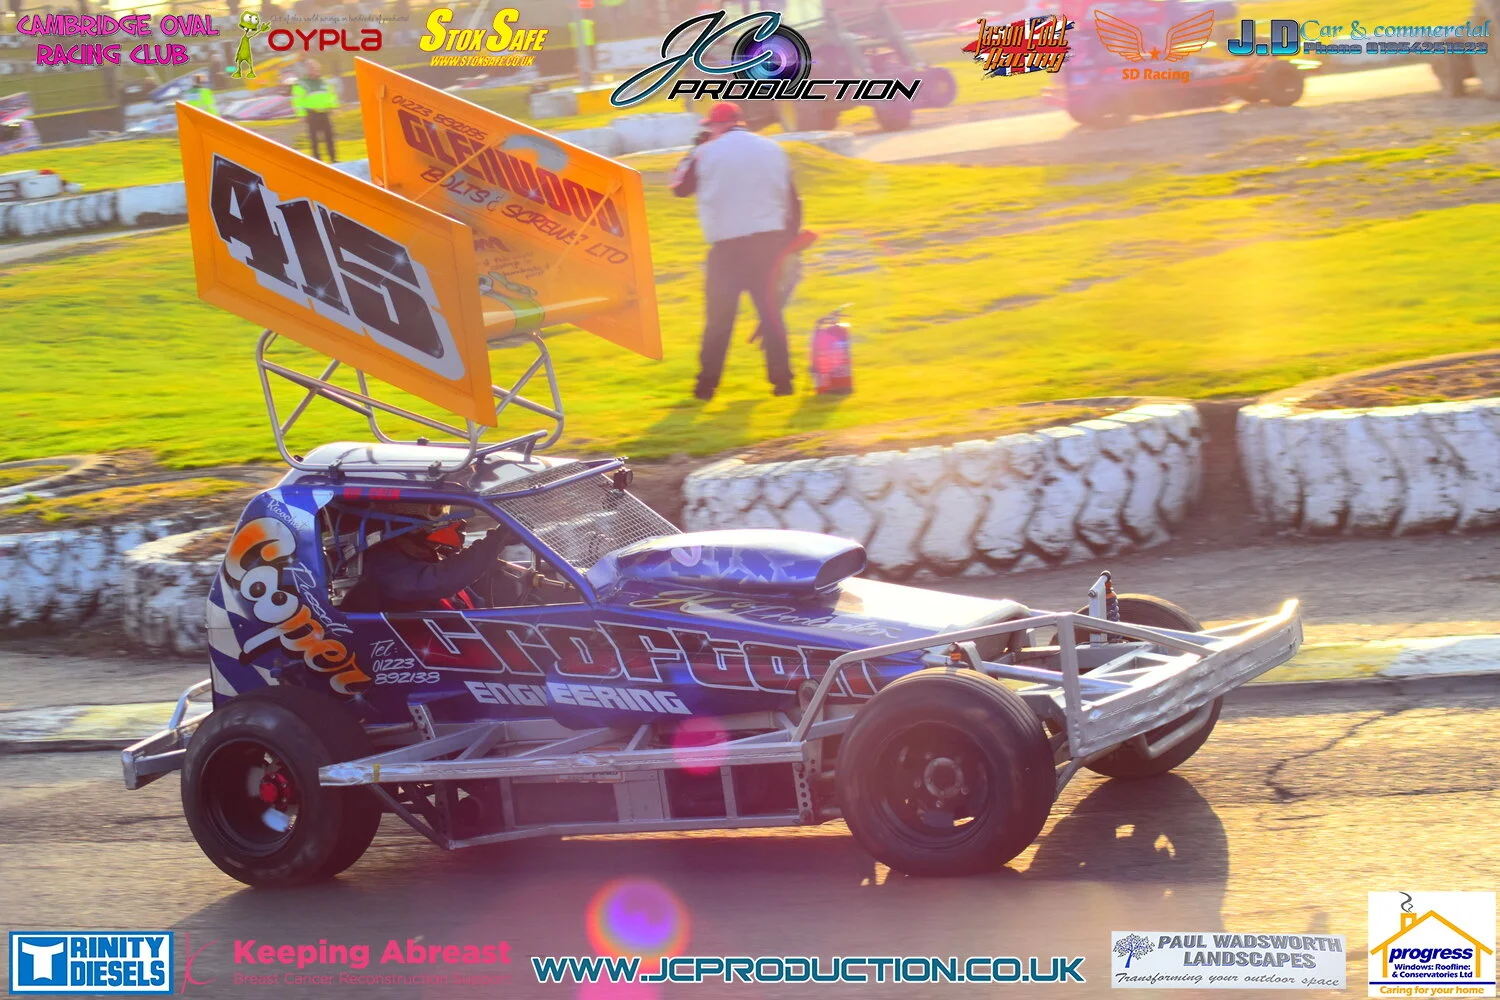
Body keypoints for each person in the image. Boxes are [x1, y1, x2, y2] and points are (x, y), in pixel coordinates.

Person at [671, 101, 803, 401]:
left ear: (716, 126)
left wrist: (694, 149)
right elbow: (793, 202)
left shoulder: (705, 153)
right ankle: (783, 383)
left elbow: (679, 187)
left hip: (727, 251)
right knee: (771, 317)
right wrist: (789, 243)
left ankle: (706, 386)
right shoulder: (773, 148)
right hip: (768, 246)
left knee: (719, 321)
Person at [339, 505, 512, 613]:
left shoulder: (421, 553)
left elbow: (457, 571)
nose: (444, 517)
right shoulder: (382, 564)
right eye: (435, 509)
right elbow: (442, 579)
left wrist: (493, 558)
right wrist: (496, 539)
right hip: (424, 648)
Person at [291, 60, 339, 162]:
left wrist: (334, 107)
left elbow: (332, 95)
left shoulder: (325, 82)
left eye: (315, 69)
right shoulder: (301, 84)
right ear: (307, 70)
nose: (314, 71)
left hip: (324, 113)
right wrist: (301, 114)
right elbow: (298, 101)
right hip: (312, 114)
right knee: (314, 139)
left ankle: (333, 159)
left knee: (329, 137)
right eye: (311, 69)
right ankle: (317, 160)